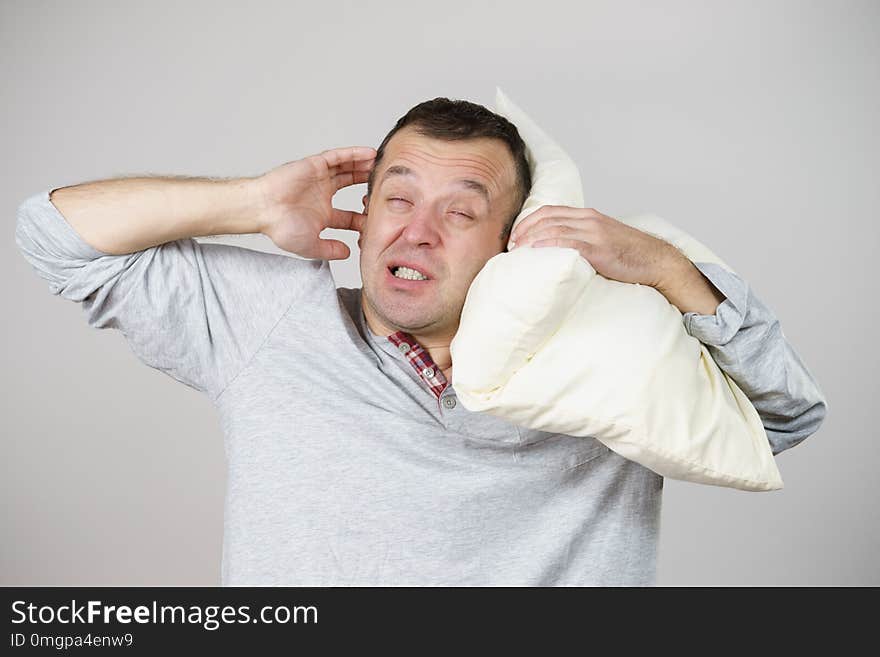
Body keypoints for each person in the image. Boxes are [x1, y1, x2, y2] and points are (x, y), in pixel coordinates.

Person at [14, 97, 828, 586]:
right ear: (364, 219)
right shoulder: (276, 324)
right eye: (395, 198)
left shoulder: (604, 365)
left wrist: (660, 266)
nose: (419, 230)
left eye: (462, 212)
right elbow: (55, 234)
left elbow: (779, 418)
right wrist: (253, 202)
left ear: (514, 245)